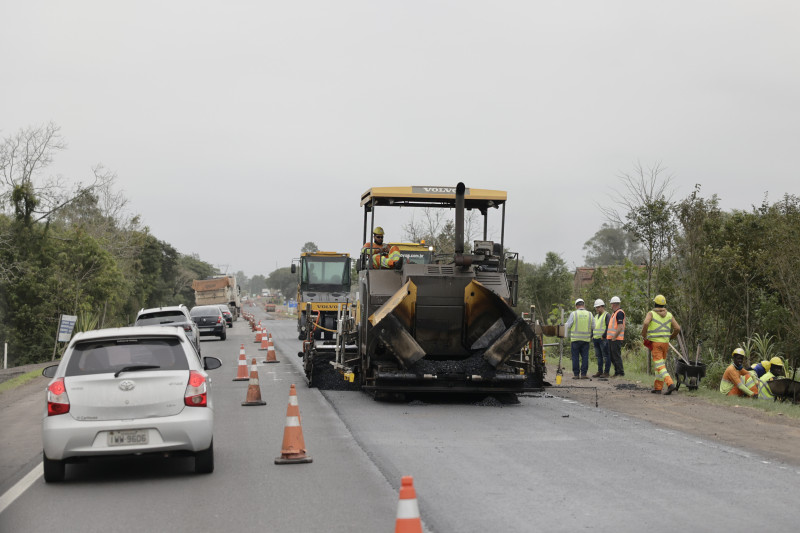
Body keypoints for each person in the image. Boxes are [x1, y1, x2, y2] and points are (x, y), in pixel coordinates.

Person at [641, 294, 680, 395]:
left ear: (655, 303)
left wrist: (644, 335)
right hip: (665, 343)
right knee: (660, 365)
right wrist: (670, 337)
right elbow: (677, 328)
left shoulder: (651, 313)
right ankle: (658, 388)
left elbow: (645, 323)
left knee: (660, 366)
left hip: (656, 344)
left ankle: (670, 384)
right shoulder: (669, 315)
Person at [564, 298, 594, 379]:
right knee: (585, 357)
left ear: (576, 306)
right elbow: (593, 326)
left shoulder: (574, 314)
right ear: (583, 305)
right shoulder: (590, 314)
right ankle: (584, 374)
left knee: (575, 357)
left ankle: (576, 374)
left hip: (575, 340)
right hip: (586, 340)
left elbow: (568, 325)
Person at [605, 296, 626, 377]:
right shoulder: (615, 313)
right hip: (612, 338)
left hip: (616, 339)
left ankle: (620, 372)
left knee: (616, 356)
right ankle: (617, 372)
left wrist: (614, 337)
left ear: (614, 304)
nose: (611, 305)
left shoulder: (619, 313)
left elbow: (620, 327)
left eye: (611, 304)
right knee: (612, 356)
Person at [591, 299, 611, 378]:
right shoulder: (596, 316)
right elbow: (593, 327)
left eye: (598, 307)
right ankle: (600, 371)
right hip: (596, 339)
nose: (597, 309)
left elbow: (609, 326)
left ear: (602, 307)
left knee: (606, 356)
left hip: (603, 339)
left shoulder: (607, 315)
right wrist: (592, 335)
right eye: (596, 307)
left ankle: (606, 372)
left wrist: (604, 336)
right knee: (599, 356)